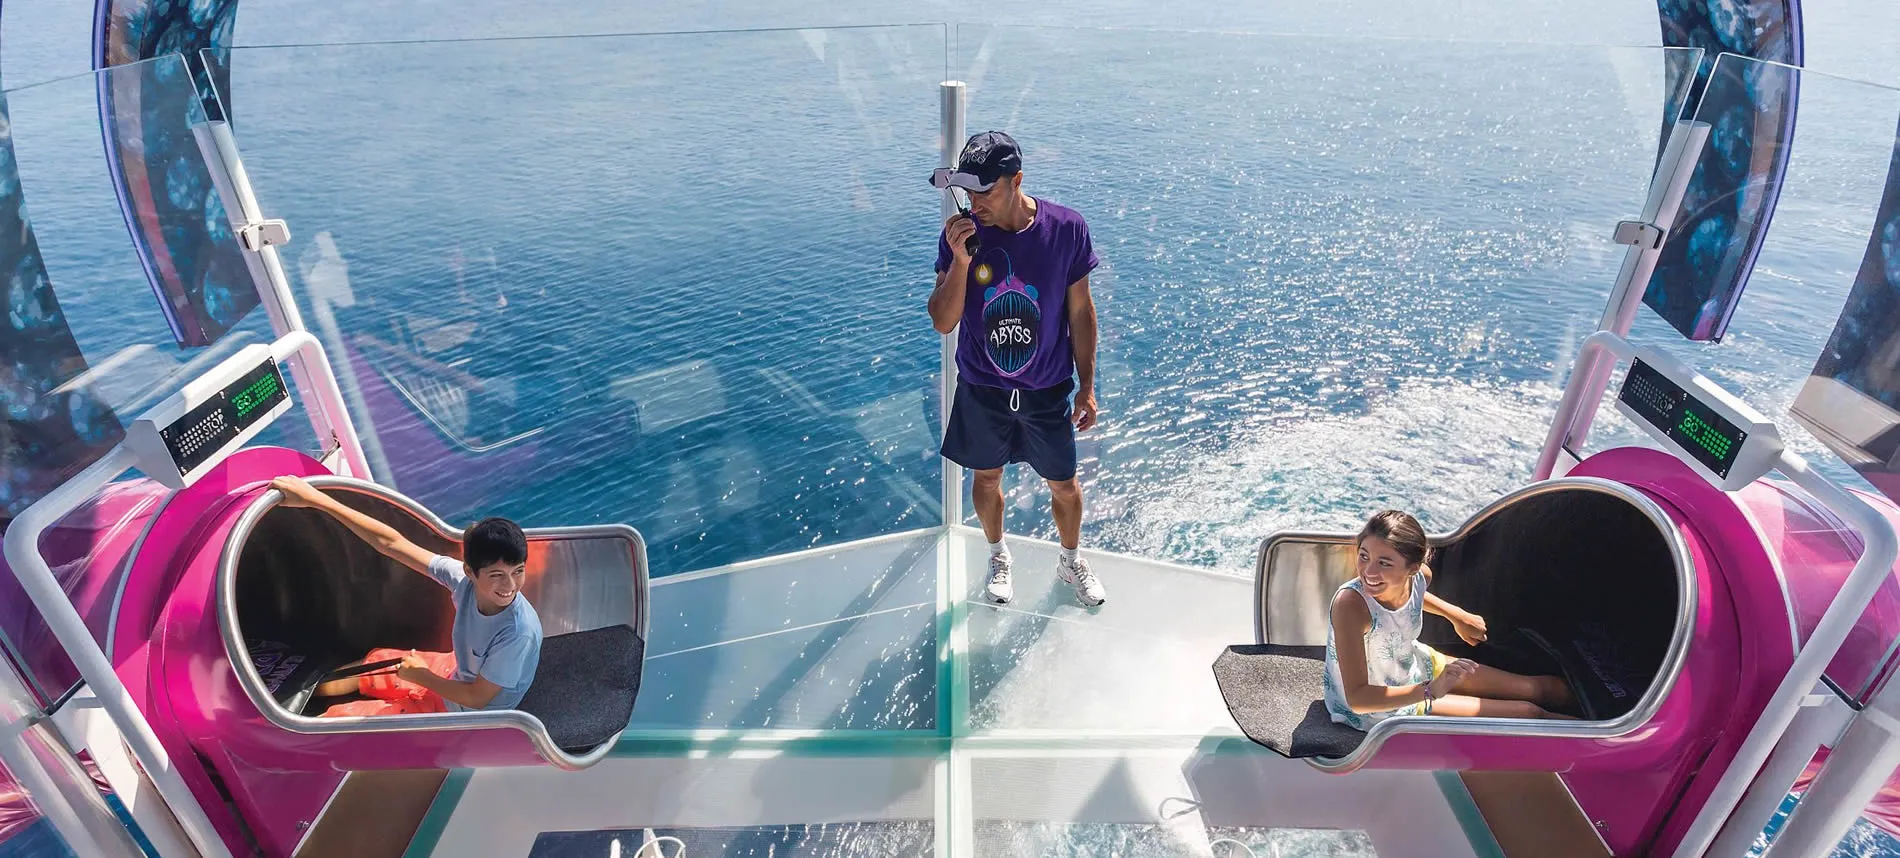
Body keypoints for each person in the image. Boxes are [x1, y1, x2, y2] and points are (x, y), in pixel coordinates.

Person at [928, 130, 1105, 607]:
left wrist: (1086, 387)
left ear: (1016, 180)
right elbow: (943, 321)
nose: (972, 200)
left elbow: (1081, 313)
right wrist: (962, 264)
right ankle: (997, 555)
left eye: (984, 189)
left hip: (1047, 389)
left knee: (1064, 484)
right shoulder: (961, 236)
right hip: (983, 389)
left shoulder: (1066, 229)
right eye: (966, 189)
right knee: (986, 479)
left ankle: (1070, 561)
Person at [269, 475, 543, 716]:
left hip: (471, 712)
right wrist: (317, 500)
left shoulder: (518, 632)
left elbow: (478, 698)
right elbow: (392, 543)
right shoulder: (462, 581)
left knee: (341, 720)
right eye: (497, 575)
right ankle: (278, 700)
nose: (511, 585)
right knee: (376, 663)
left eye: (518, 571)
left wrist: (421, 676)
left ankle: (285, 730)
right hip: (457, 672)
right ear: (470, 571)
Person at [1323, 509, 1575, 727]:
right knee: (1528, 714)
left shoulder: (1421, 576)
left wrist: (1456, 616)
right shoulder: (1351, 606)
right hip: (1378, 706)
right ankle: (1600, 747)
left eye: (1384, 563)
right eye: (1364, 555)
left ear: (1411, 568)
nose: (1369, 571)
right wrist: (1430, 690)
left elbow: (1415, 595)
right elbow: (1358, 699)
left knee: (1542, 689)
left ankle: (1609, 717)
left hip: (1413, 664)